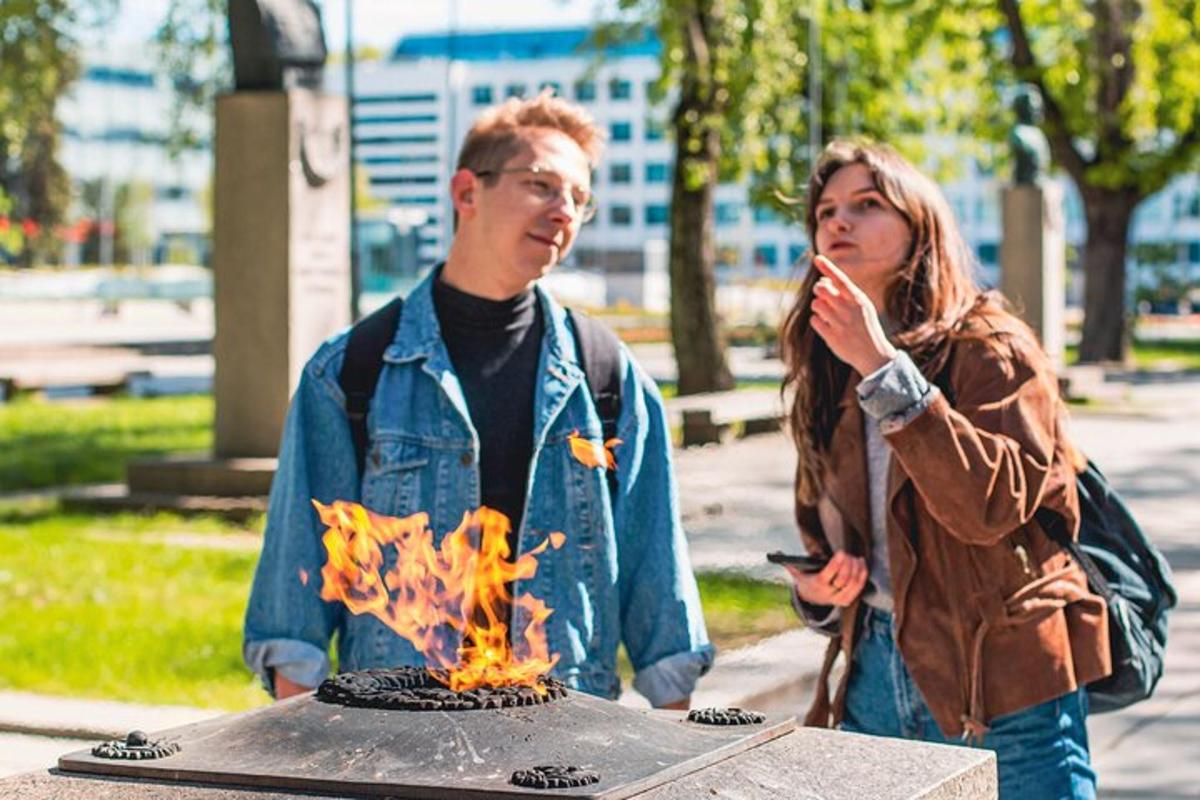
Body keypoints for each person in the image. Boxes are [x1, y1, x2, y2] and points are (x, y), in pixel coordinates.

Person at [243, 92, 713, 709]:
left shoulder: (609, 378)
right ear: (467, 192)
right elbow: (294, 601)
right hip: (397, 740)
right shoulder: (352, 372)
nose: (564, 209)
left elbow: (661, 595)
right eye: (543, 185)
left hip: (565, 742)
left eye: (579, 197)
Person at [779, 140, 1110, 799]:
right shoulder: (826, 361)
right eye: (826, 211)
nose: (838, 222)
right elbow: (830, 528)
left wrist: (884, 371)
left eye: (867, 204)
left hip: (1002, 682)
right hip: (873, 671)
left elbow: (989, 507)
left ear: (919, 224)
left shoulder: (988, 343)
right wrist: (819, 589)